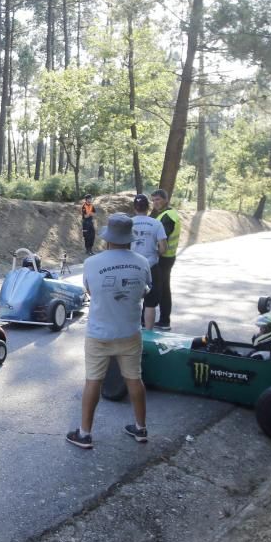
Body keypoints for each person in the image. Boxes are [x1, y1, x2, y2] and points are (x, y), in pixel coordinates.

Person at [66, 214, 152, 449]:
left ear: (107, 238)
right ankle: (141, 429)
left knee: (93, 381)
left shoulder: (92, 263)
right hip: (130, 332)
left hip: (99, 333)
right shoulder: (142, 262)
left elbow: (91, 292)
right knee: (135, 379)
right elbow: (145, 291)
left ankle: (84, 434)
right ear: (129, 238)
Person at [130, 193, 167, 331]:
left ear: (135, 208)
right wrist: (156, 253)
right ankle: (149, 335)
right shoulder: (156, 223)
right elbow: (163, 248)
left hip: (132, 267)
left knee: (131, 302)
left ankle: (131, 332)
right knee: (150, 303)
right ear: (148, 207)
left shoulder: (129, 223)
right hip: (151, 266)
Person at [149, 188, 181, 330]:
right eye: (153, 200)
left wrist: (153, 251)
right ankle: (163, 321)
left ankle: (163, 321)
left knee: (160, 289)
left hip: (164, 258)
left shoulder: (167, 216)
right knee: (164, 288)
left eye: (158, 199)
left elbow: (163, 240)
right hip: (168, 257)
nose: (155, 202)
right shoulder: (166, 214)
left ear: (166, 200)